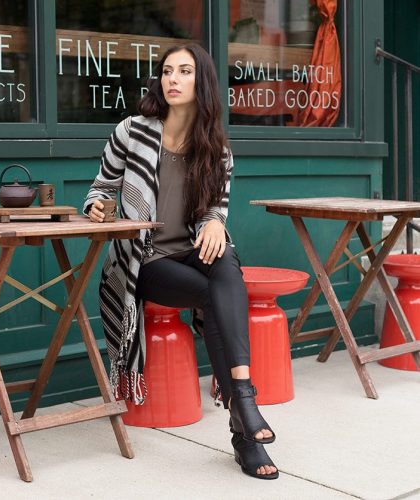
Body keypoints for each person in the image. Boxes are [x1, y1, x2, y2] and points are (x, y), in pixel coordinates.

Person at [84, 43, 278, 480]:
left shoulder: (216, 149)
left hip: (191, 252)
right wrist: (97, 206)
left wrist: (215, 221)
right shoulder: (132, 131)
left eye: (184, 71)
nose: (172, 79)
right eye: (167, 71)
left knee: (224, 256)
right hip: (144, 260)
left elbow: (217, 206)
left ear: (201, 81)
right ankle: (244, 418)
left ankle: (242, 409)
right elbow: (100, 188)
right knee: (217, 291)